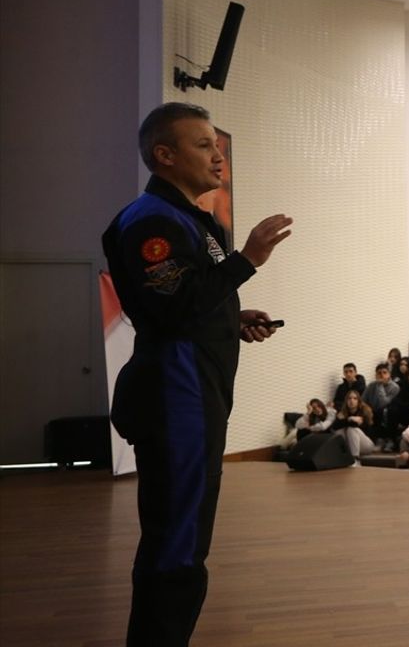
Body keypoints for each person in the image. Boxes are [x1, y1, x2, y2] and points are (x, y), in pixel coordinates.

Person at [103, 103, 291, 646]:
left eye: (218, 144)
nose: (218, 154)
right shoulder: (152, 221)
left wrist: (232, 317)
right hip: (175, 400)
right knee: (178, 545)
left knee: (184, 537)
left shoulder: (190, 217)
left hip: (194, 395)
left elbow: (189, 303)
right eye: (204, 144)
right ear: (164, 156)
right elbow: (168, 310)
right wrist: (248, 260)